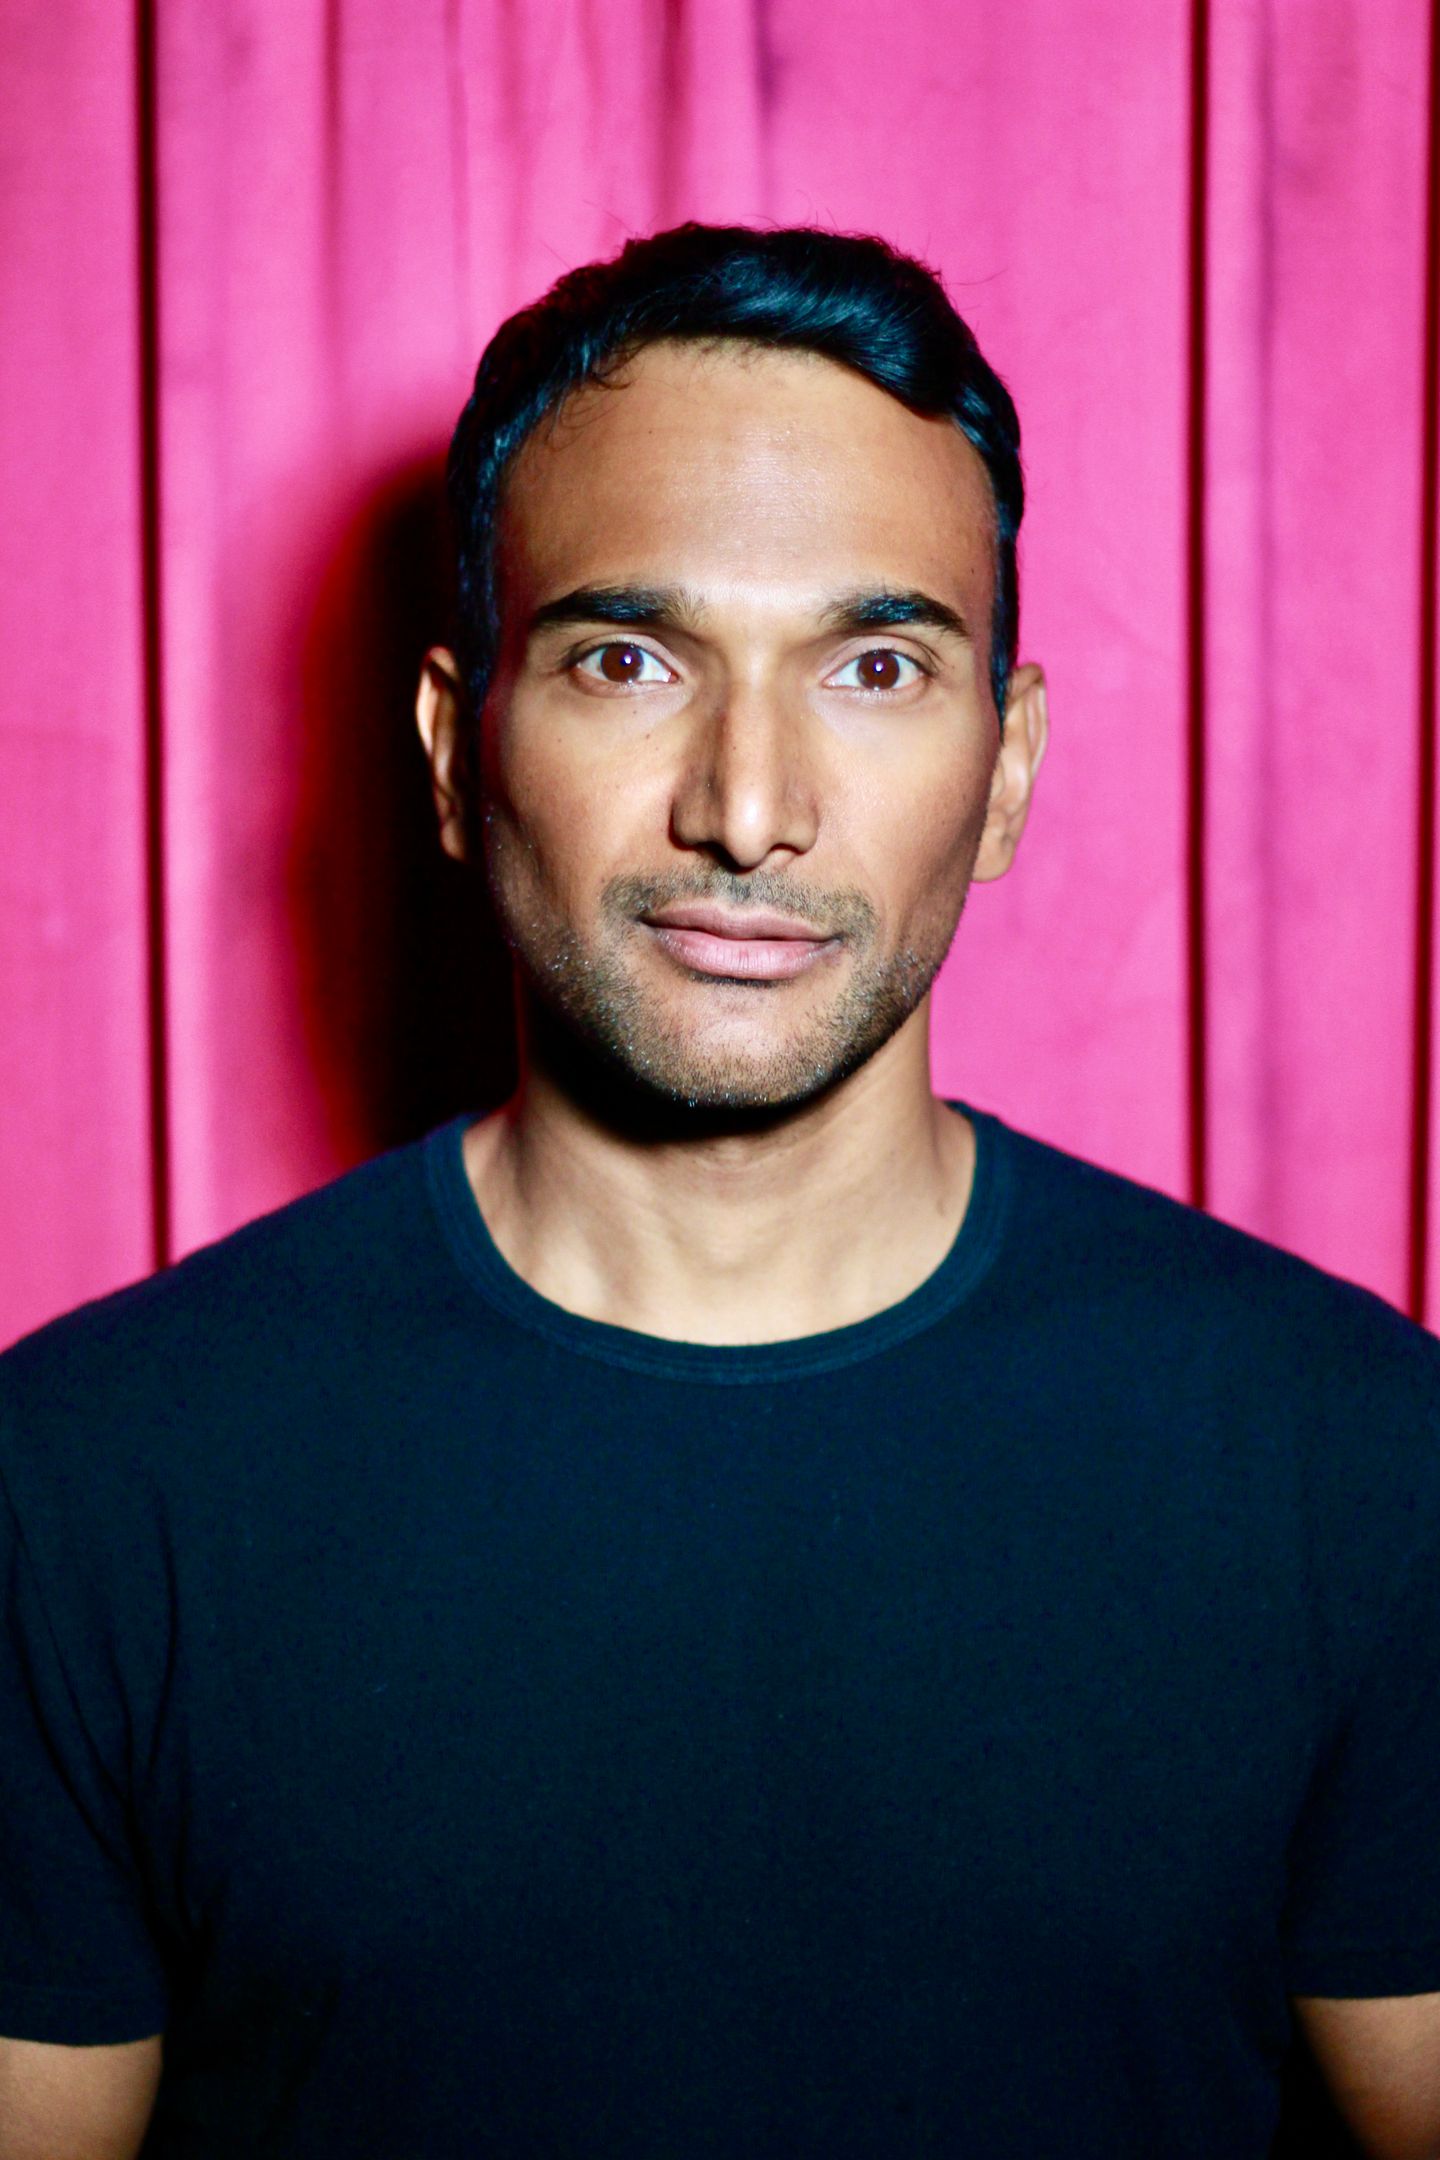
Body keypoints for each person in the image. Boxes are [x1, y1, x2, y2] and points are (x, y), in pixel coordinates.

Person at [1, 222, 1437, 2160]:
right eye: (626, 660)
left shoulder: (1359, 1466)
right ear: (455, 754)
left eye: (874, 666)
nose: (748, 808)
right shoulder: (84, 1488)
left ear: (1008, 767)